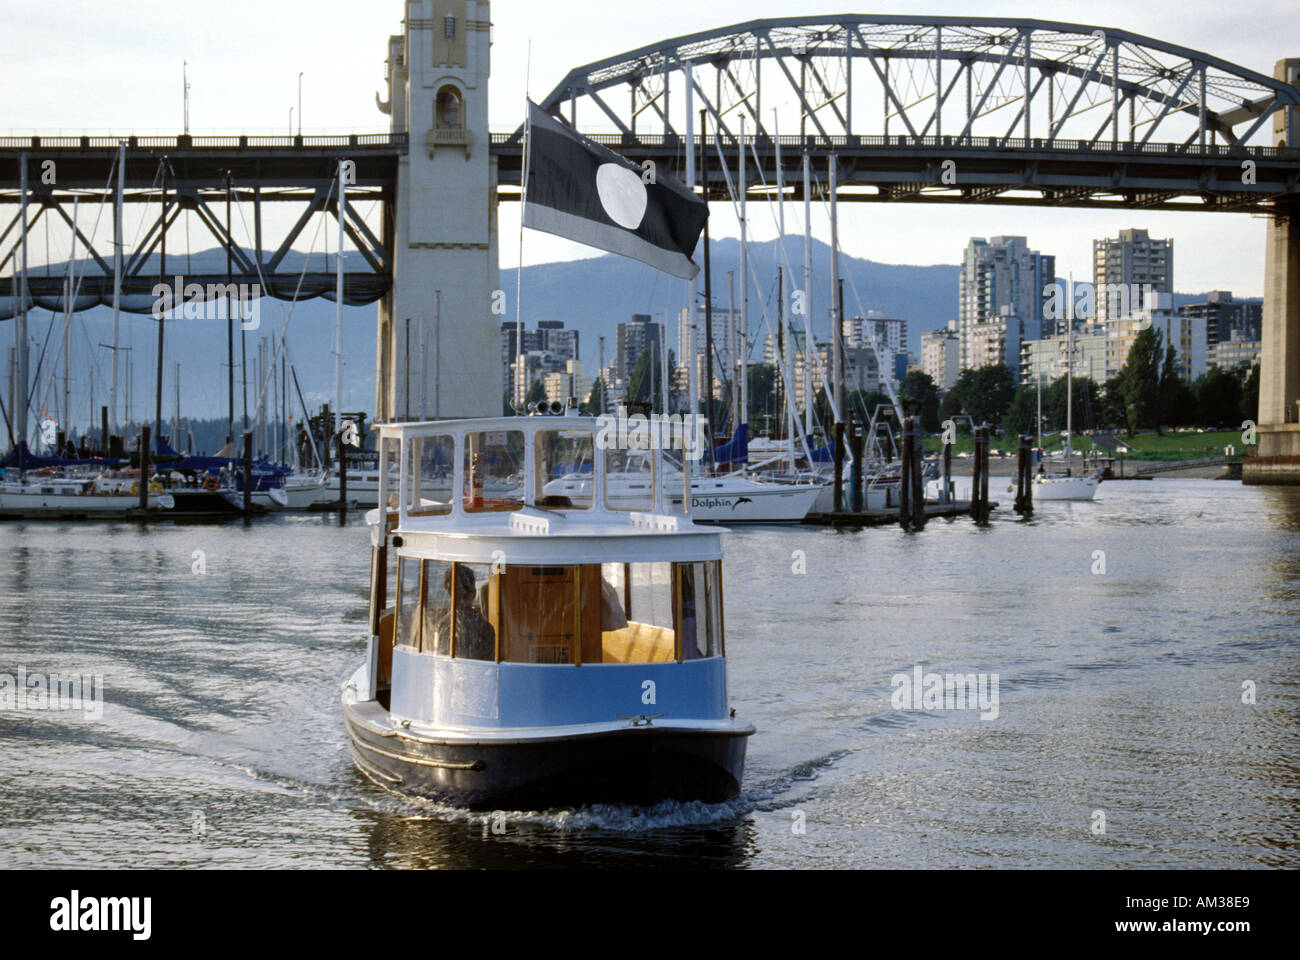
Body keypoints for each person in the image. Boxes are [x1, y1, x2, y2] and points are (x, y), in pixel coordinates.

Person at [429, 564, 496, 661]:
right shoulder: (486, 628)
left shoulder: (442, 625)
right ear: (474, 593)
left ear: (449, 593)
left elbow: (439, 661)